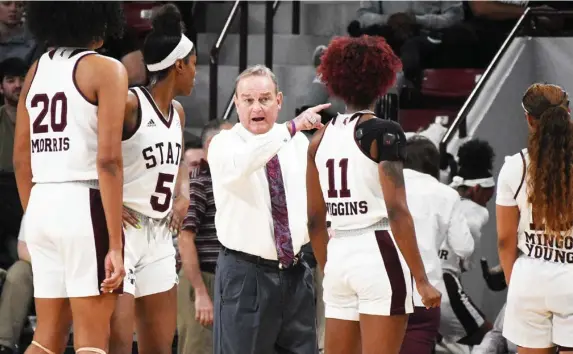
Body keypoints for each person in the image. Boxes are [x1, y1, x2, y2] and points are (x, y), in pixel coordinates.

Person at [306, 35, 441, 354]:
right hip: (377, 252)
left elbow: (314, 221)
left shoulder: (318, 140)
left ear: (335, 81)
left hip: (337, 255)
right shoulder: (385, 132)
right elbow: (397, 211)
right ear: (383, 80)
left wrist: (330, 269)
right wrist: (421, 279)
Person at [12, 2, 127, 354]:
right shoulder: (107, 69)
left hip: (41, 203)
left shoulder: (36, 70)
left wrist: (35, 215)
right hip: (84, 204)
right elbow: (108, 161)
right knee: (93, 342)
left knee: (45, 340)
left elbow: (20, 159)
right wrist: (116, 245)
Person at [208, 64, 328, 354]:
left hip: (297, 272)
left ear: (279, 101)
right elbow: (248, 161)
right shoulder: (223, 144)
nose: (256, 107)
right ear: (236, 103)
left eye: (264, 98)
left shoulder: (298, 142)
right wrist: (291, 127)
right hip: (246, 274)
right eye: (247, 100)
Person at [108, 4, 194, 354]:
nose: (196, 74)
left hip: (159, 235)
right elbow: (95, 155)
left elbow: (180, 164)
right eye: (194, 65)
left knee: (159, 347)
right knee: (116, 347)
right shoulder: (130, 103)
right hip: (124, 234)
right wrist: (105, 201)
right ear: (178, 65)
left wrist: (183, 194)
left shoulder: (179, 113)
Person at [496, 83, 573, 353]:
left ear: (529, 120)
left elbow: (505, 240)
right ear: (568, 113)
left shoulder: (514, 167)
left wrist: (513, 281)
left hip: (529, 278)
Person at [400, 136, 474, 354]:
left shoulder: (381, 187)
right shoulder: (447, 195)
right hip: (426, 294)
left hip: (381, 290)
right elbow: (464, 247)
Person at [177, 119, 232, 354]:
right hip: (203, 277)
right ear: (212, 144)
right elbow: (185, 238)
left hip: (228, 280)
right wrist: (200, 293)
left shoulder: (227, 182)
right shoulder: (200, 181)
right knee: (198, 347)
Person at [437, 139, 495, 354]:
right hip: (445, 284)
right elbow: (464, 255)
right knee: (492, 337)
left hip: (420, 283)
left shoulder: (440, 196)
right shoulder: (477, 213)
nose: (486, 203)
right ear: (477, 189)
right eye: (486, 198)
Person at [0, 57, 26, 270]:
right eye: (10, 80)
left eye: (22, 79)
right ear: (1, 88)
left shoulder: (42, 118)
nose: (17, 85)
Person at [0, 215, 35, 354]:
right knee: (19, 271)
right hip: (39, 265)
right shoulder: (37, 204)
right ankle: (4, 345)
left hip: (82, 266)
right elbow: (23, 248)